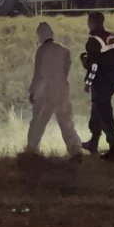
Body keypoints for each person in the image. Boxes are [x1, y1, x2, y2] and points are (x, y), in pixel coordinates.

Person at [25, 22, 83, 160]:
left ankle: (31, 151)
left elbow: (38, 73)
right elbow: (66, 70)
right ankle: (76, 151)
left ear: (40, 36)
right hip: (62, 90)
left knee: (38, 123)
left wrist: (33, 91)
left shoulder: (41, 51)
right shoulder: (64, 50)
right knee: (66, 122)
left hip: (44, 91)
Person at [80, 12, 114, 162]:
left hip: (101, 82)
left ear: (91, 22)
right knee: (98, 108)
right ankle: (93, 142)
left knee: (104, 112)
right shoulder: (113, 36)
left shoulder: (93, 41)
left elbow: (94, 66)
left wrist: (88, 81)